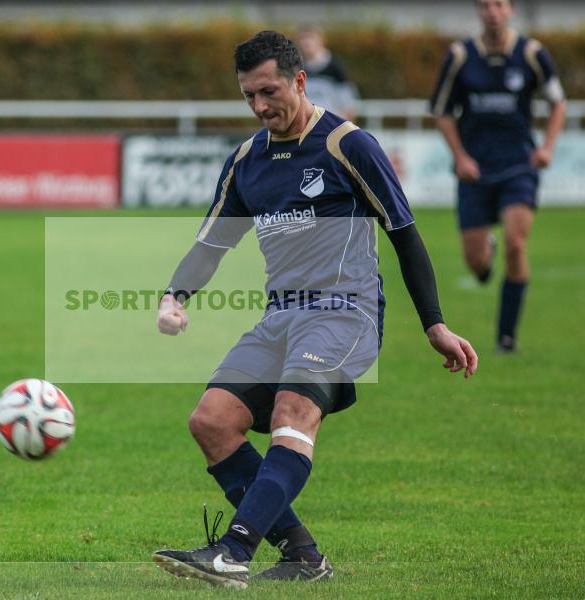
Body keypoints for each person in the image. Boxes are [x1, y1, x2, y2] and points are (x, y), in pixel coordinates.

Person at [152, 30, 478, 589]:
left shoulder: (348, 145)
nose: (260, 107)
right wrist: (173, 297)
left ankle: (232, 553)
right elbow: (212, 244)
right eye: (249, 96)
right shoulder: (247, 159)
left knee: (292, 412)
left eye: (269, 91)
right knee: (211, 422)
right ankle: (303, 556)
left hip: (343, 313)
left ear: (300, 81)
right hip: (280, 315)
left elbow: (404, 235)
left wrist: (435, 324)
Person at [429, 0, 566, 352]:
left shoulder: (532, 54)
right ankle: (484, 251)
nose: (492, 11)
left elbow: (558, 102)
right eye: (485, 5)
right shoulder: (460, 56)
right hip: (475, 170)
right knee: (476, 264)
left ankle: (507, 336)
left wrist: (547, 147)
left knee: (516, 243)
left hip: (518, 166)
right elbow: (442, 111)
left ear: (511, 10)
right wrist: (459, 156)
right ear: (479, 11)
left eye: (498, 5)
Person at [295, 24, 359, 122]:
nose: (306, 42)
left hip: (331, 127)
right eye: (303, 38)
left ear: (320, 40)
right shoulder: (297, 67)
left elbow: (348, 106)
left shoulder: (335, 67)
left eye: (310, 38)